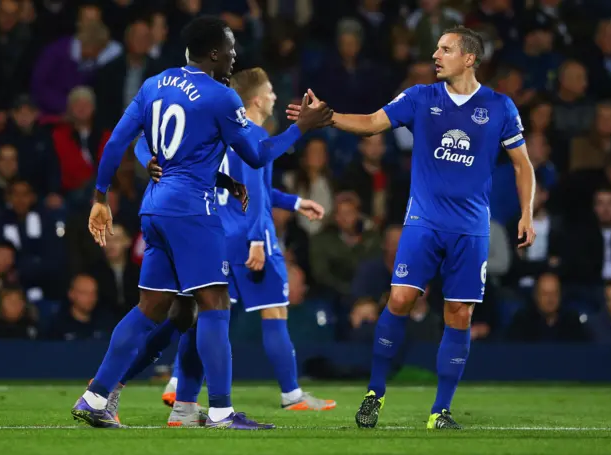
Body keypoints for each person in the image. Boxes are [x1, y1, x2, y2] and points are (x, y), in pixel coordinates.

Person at [72, 16, 333, 430]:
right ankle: (222, 412)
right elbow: (258, 155)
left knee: (152, 306)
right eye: (230, 49)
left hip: (155, 209)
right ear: (214, 53)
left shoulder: (154, 83)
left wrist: (100, 197)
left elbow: (120, 141)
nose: (234, 57)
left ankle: (96, 396)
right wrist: (302, 127)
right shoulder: (221, 96)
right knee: (214, 305)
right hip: (194, 212)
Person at [288, 26, 536, 430]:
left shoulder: (500, 106)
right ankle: (375, 393)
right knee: (400, 298)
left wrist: (525, 213)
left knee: (458, 313)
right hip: (424, 221)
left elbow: (523, 164)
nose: (435, 55)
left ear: (470, 58)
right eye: (435, 47)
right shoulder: (421, 97)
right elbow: (370, 123)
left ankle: (440, 411)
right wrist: (328, 118)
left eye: (446, 49)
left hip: (471, 229)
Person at [149, 68, 336, 418]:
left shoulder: (218, 133)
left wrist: (295, 203)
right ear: (256, 99)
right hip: (250, 235)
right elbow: (254, 194)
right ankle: (291, 393)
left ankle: (179, 386)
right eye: (270, 91)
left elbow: (251, 187)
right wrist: (257, 240)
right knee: (274, 311)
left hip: (214, 234)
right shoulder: (253, 133)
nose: (275, 97)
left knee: (205, 313)